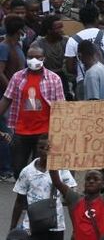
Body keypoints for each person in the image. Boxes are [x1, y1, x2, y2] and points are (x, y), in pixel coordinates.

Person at [0, 44, 64, 177]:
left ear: (44, 59)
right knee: (18, 169)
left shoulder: (54, 79)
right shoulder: (17, 77)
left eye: (38, 57)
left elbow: (61, 107)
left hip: (44, 133)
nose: (34, 60)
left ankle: (35, 197)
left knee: (39, 169)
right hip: (20, 132)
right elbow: (6, 99)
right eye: (30, 57)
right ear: (26, 58)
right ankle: (22, 195)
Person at [10, 134, 76, 239]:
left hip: (56, 225)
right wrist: (12, 228)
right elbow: (19, 201)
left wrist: (76, 228)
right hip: (32, 225)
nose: (45, 151)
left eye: (48, 148)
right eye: (41, 148)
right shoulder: (27, 171)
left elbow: (71, 199)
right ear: (37, 148)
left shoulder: (62, 170)